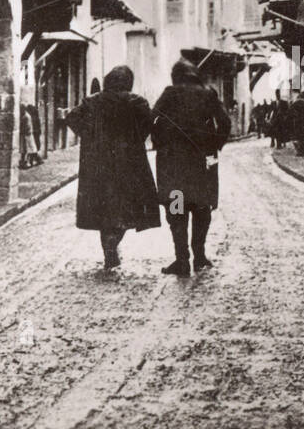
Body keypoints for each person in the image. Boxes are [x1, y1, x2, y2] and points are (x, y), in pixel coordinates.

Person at [63, 65, 160, 270]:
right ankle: (112, 246)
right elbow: (149, 124)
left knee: (104, 210)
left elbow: (72, 118)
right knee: (127, 209)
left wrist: (90, 137)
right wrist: (136, 140)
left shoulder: (92, 102)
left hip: (98, 164)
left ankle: (109, 249)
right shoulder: (137, 102)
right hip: (129, 164)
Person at [152, 59, 231, 277]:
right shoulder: (208, 93)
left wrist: (160, 143)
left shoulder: (170, 93)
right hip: (203, 163)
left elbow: (153, 119)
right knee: (201, 207)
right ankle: (200, 256)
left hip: (174, 165)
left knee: (177, 210)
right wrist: (214, 145)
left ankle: (182, 259)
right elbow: (224, 123)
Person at [289, 90, 304, 156]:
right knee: (303, 138)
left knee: (298, 138)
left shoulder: (294, 104)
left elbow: (290, 114)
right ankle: (301, 151)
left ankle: (299, 151)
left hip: (297, 124)